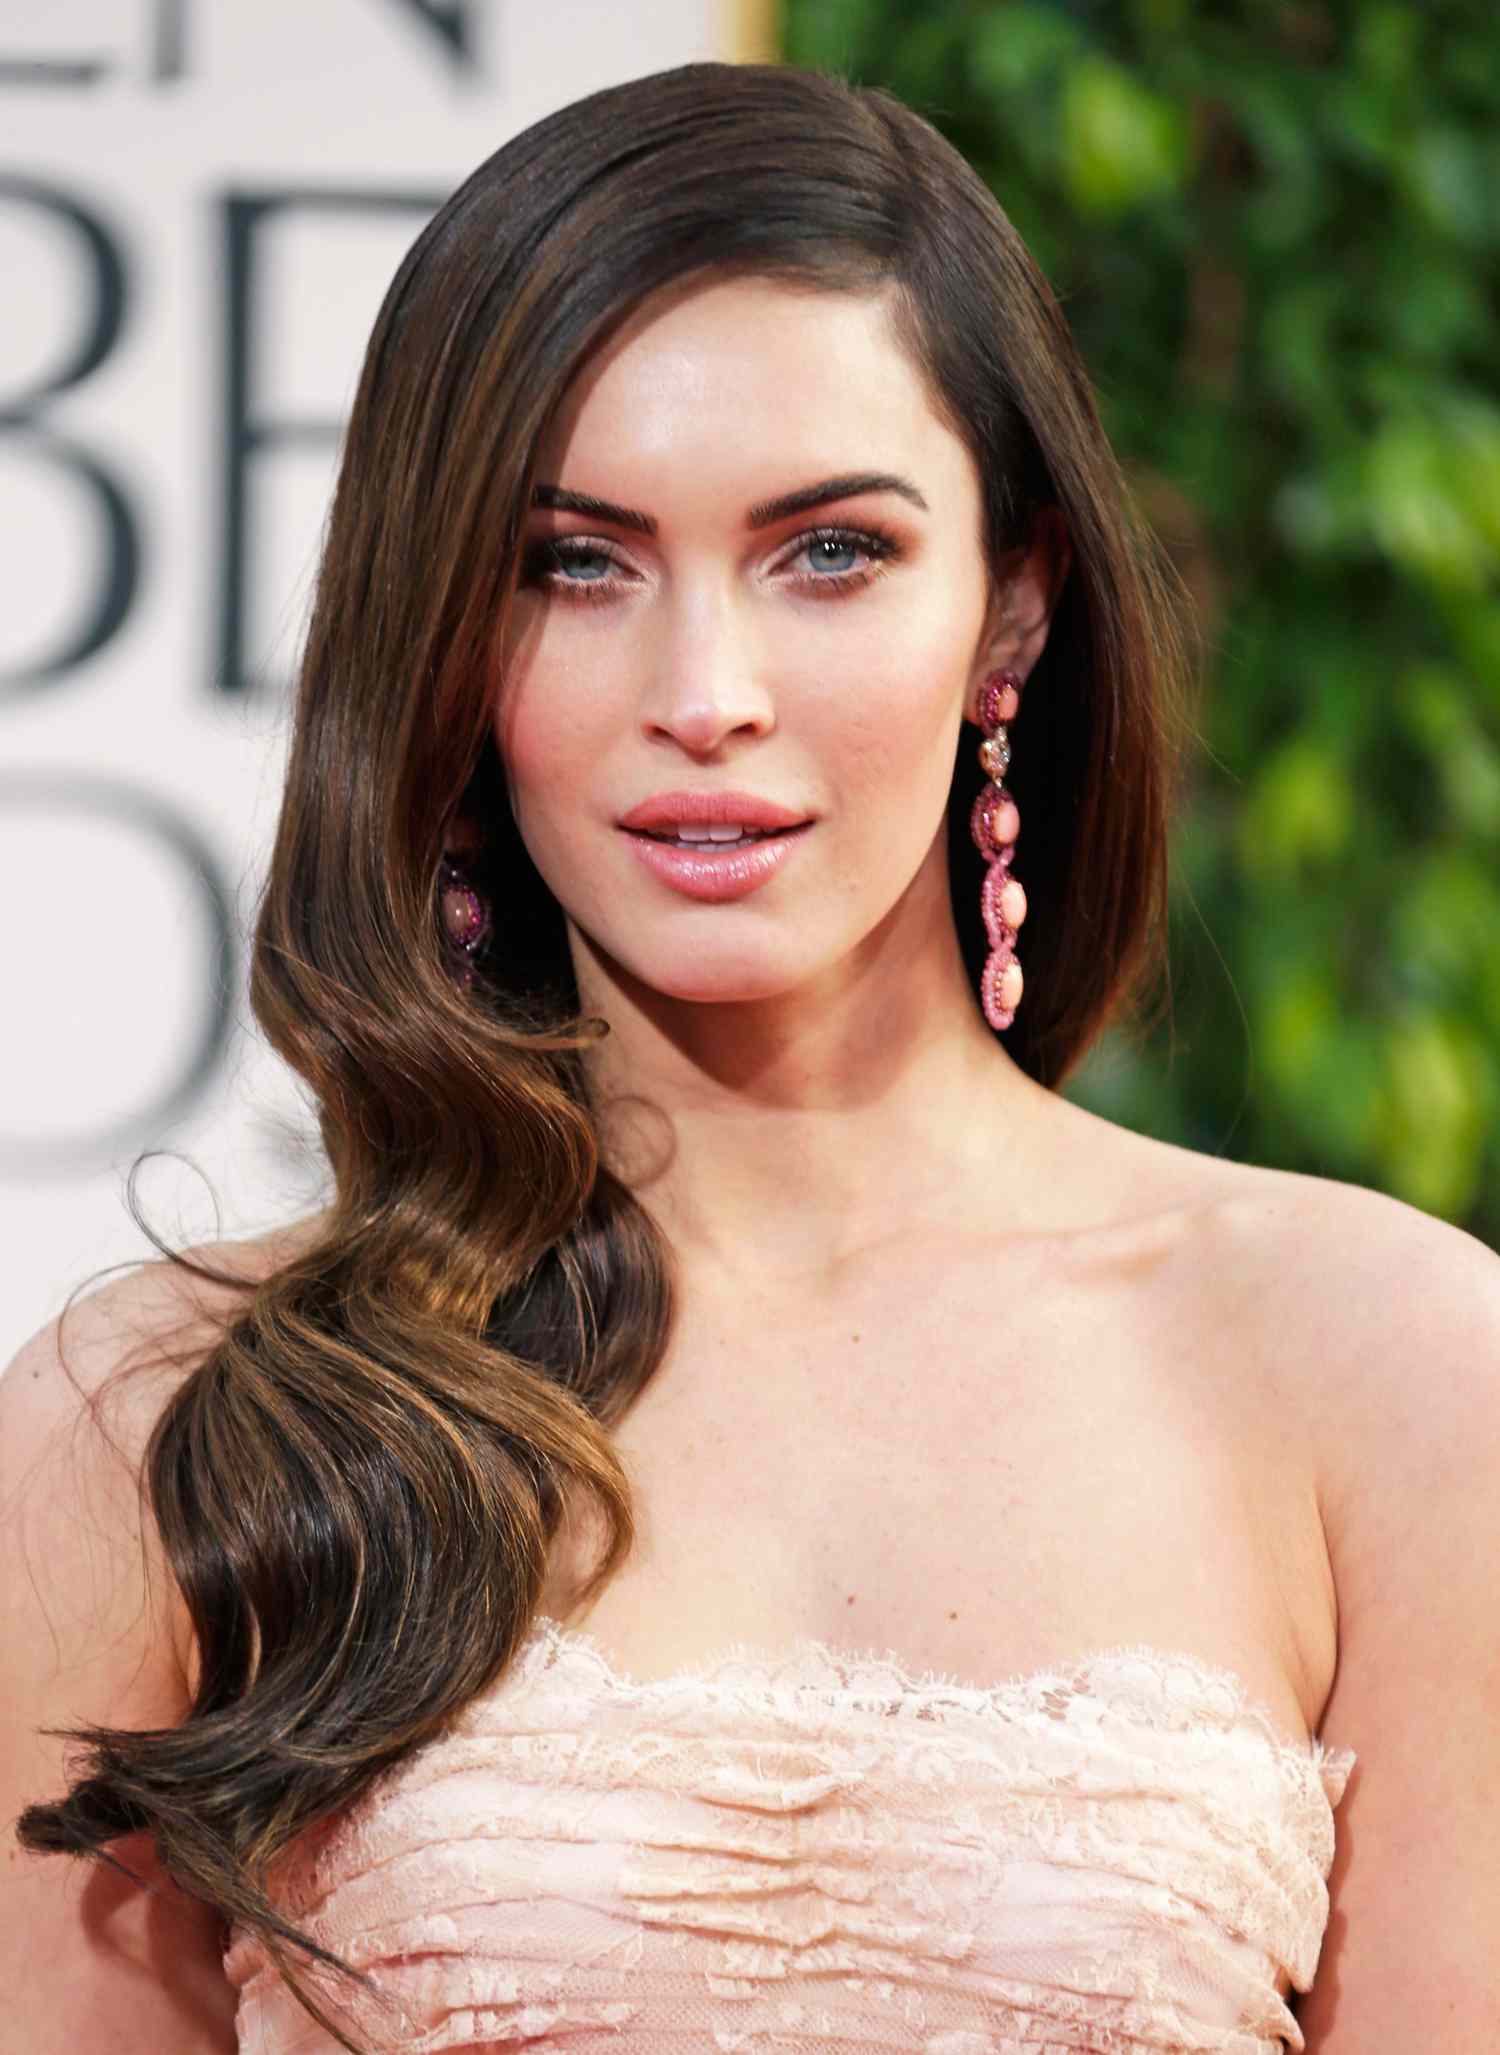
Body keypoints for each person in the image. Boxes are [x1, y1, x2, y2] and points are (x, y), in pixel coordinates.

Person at [3, 57, 1497, 2055]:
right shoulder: (161, 1422)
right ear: (444, 632)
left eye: (829, 553)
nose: (704, 695)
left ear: (1016, 604)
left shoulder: (1389, 1371)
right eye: (572, 562)